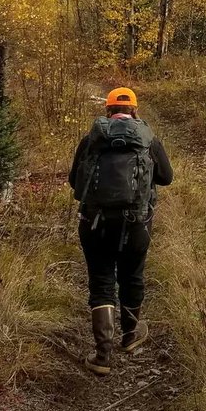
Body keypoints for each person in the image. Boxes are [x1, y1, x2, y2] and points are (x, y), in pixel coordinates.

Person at [68, 86, 173, 375]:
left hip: (95, 223)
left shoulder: (91, 139)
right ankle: (129, 335)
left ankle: (103, 355)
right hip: (136, 223)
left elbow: (74, 183)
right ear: (134, 110)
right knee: (132, 274)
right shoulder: (148, 138)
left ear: (108, 111)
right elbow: (167, 177)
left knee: (101, 280)